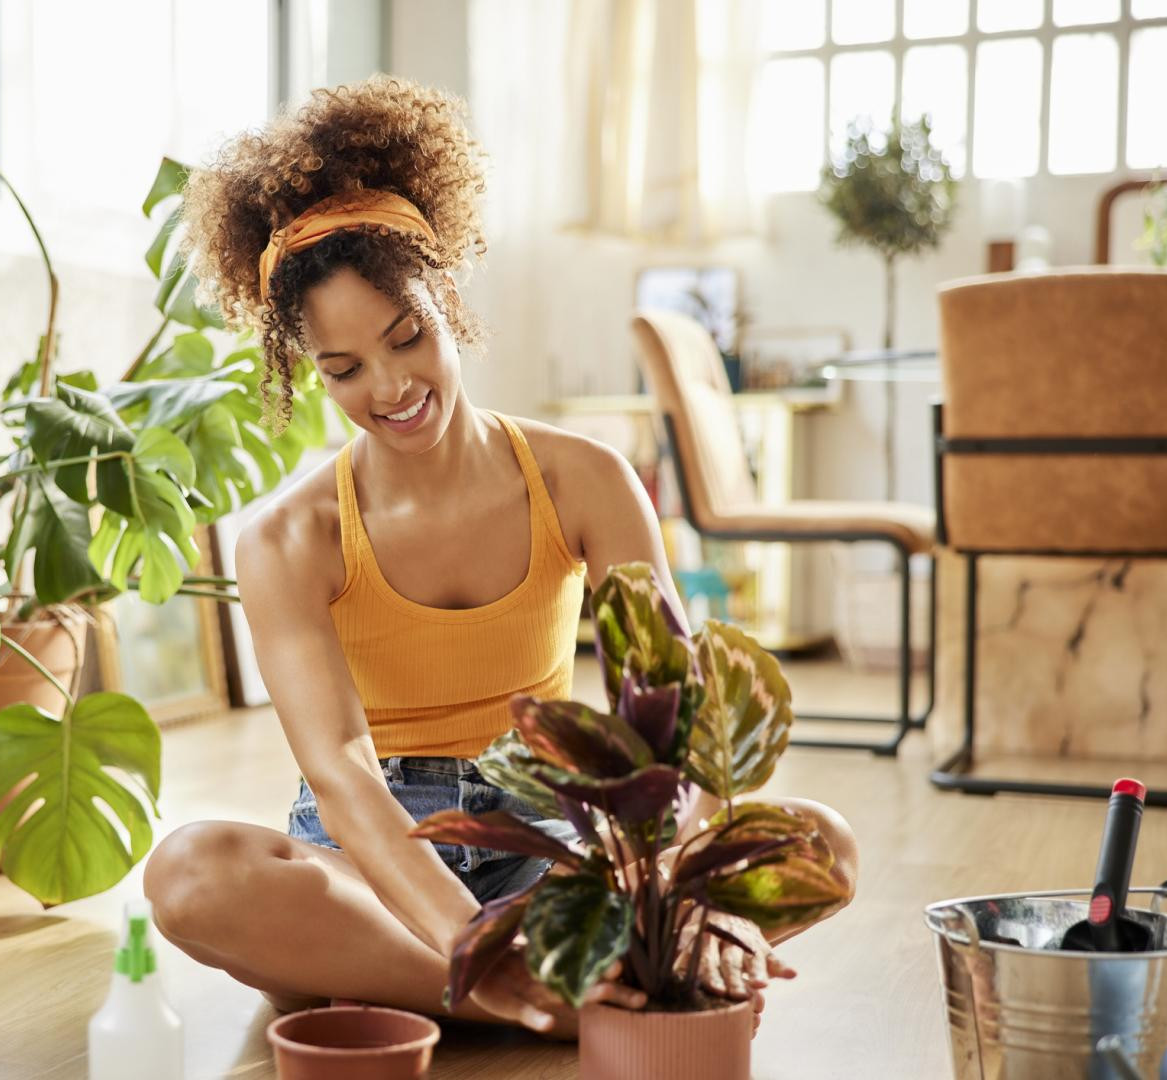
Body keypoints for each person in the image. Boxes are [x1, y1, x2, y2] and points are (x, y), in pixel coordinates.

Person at [143, 76, 857, 1040]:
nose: (391, 387)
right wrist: (471, 941)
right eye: (343, 370)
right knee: (191, 872)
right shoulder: (287, 537)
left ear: (447, 296)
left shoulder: (585, 479)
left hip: (553, 837)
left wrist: (673, 882)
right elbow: (345, 776)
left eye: (408, 337)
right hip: (374, 865)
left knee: (820, 843)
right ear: (305, 367)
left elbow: (671, 716)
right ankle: (550, 997)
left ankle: (420, 989)